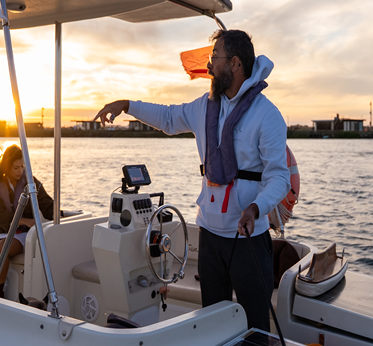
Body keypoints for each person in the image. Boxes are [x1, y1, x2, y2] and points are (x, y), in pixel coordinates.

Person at [94, 29, 290, 330]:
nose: (210, 65)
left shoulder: (267, 115)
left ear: (235, 63)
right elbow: (169, 118)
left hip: (247, 237)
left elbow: (279, 176)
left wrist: (255, 208)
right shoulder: (204, 106)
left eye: (215, 58)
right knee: (212, 323)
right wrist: (127, 105)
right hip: (210, 234)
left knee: (255, 328)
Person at [0, 144, 55, 299]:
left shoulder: (31, 182)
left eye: (22, 166)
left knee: (1, 247)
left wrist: (61, 216)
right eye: (16, 167)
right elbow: (1, 218)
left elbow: (47, 206)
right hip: (2, 228)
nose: (20, 171)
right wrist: (25, 220)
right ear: (7, 166)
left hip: (23, 233)